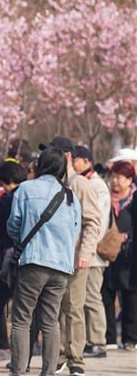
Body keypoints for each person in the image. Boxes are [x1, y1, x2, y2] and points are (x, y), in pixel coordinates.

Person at [1, 147, 81, 376]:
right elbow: (75, 231)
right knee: (51, 320)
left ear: (41, 165)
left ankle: (17, 375)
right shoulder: (70, 196)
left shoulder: (26, 189)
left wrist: (22, 239)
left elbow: (13, 225)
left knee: (22, 318)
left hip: (34, 261)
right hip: (61, 265)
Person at [44, 138, 102, 376]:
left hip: (76, 257)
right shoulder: (46, 184)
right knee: (52, 309)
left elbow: (92, 222)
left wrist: (86, 253)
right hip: (51, 255)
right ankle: (55, 356)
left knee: (74, 308)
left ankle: (75, 357)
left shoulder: (81, 185)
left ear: (67, 155)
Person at [0, 161, 28, 371]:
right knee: (27, 312)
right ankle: (23, 361)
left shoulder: (7, 199)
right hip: (30, 260)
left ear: (7, 182)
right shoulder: (32, 198)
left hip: (5, 261)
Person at [73, 145, 112, 358]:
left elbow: (99, 221)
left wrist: (88, 249)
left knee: (92, 296)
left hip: (93, 254)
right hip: (87, 252)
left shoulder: (97, 186)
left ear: (86, 161)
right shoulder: (88, 183)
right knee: (86, 297)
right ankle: (90, 340)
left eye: (76, 160)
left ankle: (98, 341)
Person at [102, 161, 136, 350]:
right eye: (113, 176)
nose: (114, 181)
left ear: (129, 179)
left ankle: (130, 338)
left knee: (130, 296)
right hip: (107, 252)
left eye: (119, 177)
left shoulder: (134, 199)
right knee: (106, 293)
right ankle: (109, 338)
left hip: (128, 254)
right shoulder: (105, 198)